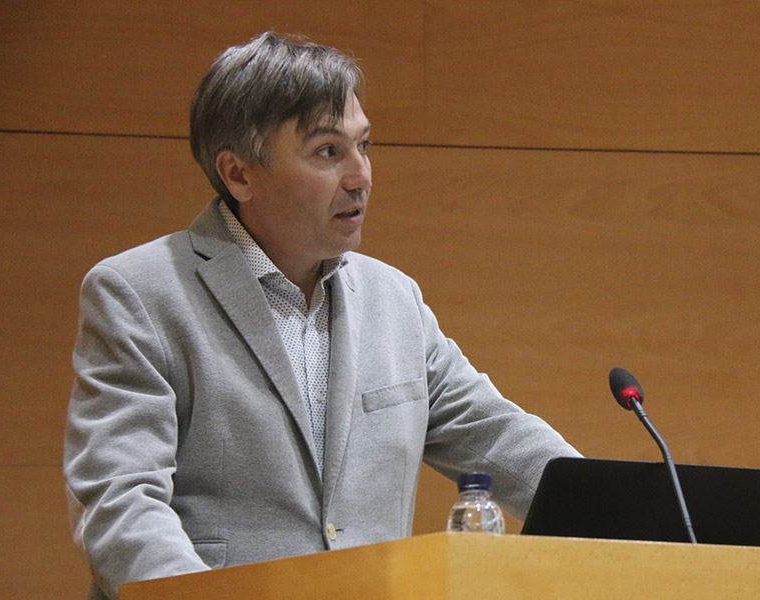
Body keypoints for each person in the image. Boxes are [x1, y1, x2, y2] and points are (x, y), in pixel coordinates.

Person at [63, 32, 580, 599]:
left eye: (365, 146)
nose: (362, 176)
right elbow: (120, 499)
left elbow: (497, 436)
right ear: (239, 174)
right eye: (328, 152)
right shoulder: (141, 293)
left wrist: (637, 514)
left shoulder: (393, 298)